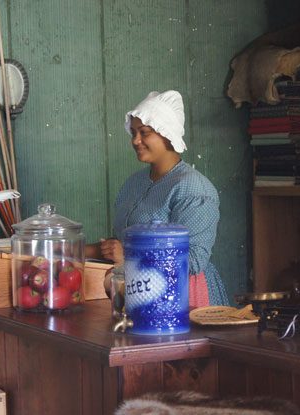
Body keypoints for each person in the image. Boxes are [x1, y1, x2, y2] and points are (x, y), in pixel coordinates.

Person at [86, 90, 229, 307]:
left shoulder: (192, 188)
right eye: (134, 132)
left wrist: (127, 255)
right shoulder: (135, 182)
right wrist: (68, 249)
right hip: (140, 292)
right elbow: (119, 245)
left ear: (166, 132)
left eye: (145, 132)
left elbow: (193, 262)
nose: (136, 140)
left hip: (182, 299)